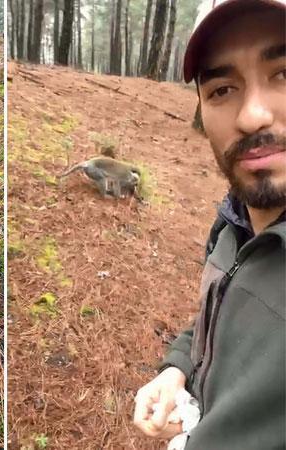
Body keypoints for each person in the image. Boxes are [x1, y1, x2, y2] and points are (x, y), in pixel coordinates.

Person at [132, 0, 286, 448]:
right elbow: (219, 319)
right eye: (222, 88)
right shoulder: (234, 223)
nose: (251, 116)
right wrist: (180, 369)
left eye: (283, 73)